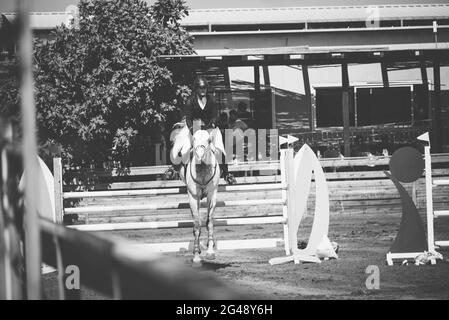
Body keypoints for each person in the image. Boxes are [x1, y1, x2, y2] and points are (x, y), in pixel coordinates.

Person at [165, 76, 236, 184]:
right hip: (194, 127)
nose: (203, 90)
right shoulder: (191, 101)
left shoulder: (211, 100)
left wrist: (209, 126)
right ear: (196, 89)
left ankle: (227, 174)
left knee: (219, 149)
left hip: (210, 127)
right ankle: (174, 168)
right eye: (201, 88)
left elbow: (215, 116)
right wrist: (193, 129)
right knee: (184, 148)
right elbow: (188, 118)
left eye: (205, 88)